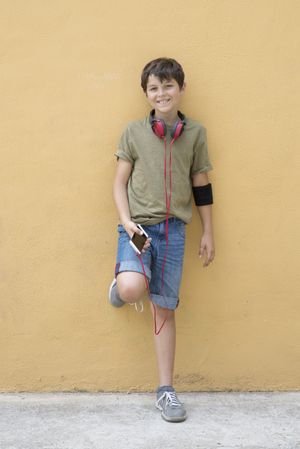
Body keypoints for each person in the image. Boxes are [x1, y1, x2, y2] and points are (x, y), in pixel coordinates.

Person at [108, 57, 215, 422]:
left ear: (181, 89)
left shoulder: (196, 134)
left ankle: (166, 391)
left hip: (174, 232)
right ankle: (123, 282)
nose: (162, 93)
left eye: (168, 86)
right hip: (137, 229)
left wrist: (208, 233)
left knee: (164, 309)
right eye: (154, 88)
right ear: (147, 94)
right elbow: (119, 182)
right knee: (132, 290)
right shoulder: (133, 132)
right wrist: (126, 220)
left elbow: (202, 186)